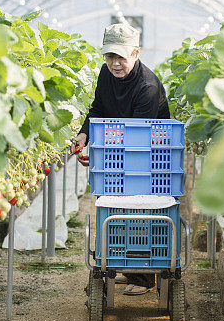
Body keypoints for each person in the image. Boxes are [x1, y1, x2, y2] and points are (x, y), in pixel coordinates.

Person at [71, 23, 171, 295]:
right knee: (117, 209)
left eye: (121, 57)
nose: (115, 63)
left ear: (136, 53)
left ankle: (144, 277)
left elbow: (139, 137)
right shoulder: (107, 74)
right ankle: (129, 268)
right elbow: (99, 108)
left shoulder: (147, 87)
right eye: (109, 56)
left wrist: (101, 153)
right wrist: (84, 136)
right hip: (120, 150)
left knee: (139, 212)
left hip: (150, 157)